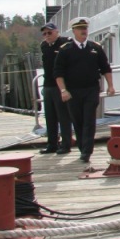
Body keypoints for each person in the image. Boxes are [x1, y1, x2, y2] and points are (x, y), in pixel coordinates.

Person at [53, 17, 114, 163]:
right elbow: (58, 73)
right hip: (73, 91)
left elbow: (105, 68)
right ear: (74, 31)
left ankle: (87, 151)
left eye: (85, 29)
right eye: (80, 29)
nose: (83, 31)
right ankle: (82, 147)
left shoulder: (95, 48)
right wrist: (63, 90)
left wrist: (110, 85)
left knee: (89, 120)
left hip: (91, 89)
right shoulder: (65, 50)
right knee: (78, 121)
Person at [39, 22, 72, 154]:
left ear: (56, 32)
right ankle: (52, 144)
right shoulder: (44, 46)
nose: (47, 35)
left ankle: (66, 144)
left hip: (61, 85)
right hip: (48, 85)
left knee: (63, 116)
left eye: (50, 32)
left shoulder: (65, 43)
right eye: (44, 33)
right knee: (50, 116)